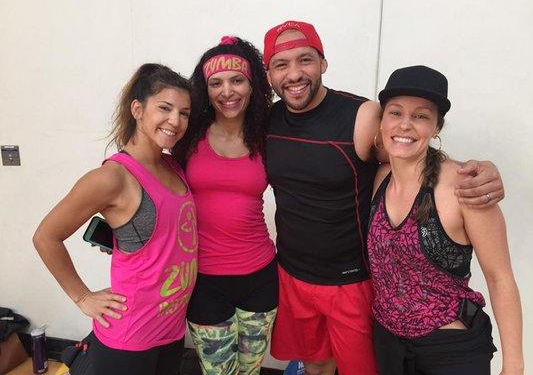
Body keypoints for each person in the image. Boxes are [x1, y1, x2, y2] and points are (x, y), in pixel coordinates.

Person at [263, 20, 505, 375]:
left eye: (306, 60)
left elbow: (409, 150)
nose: (294, 73)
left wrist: (479, 170)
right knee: (314, 365)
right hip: (293, 274)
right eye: (281, 64)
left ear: (323, 63)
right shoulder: (267, 120)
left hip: (351, 281)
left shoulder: (361, 117)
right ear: (268, 73)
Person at [32, 64, 197, 375]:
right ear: (137, 109)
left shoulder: (173, 166)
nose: (175, 121)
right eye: (165, 108)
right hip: (130, 337)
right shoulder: (112, 177)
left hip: (172, 329)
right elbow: (45, 236)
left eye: (184, 113)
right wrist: (82, 296)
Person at [367, 65, 523, 375]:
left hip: (449, 351)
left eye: (421, 116)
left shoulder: (466, 187)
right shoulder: (379, 177)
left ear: (437, 126)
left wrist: (514, 366)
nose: (406, 125)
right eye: (395, 113)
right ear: (382, 121)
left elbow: (500, 278)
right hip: (387, 343)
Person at [175, 36, 277, 375]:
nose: (227, 91)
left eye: (237, 80)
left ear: (252, 85)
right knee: (219, 372)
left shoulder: (268, 135)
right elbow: (155, 180)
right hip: (204, 278)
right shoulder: (188, 134)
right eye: (215, 83)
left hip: (260, 275)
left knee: (249, 370)